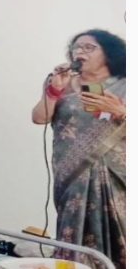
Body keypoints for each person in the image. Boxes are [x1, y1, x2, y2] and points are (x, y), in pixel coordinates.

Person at [31, 29, 126, 268]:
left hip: (116, 172)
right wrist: (54, 90)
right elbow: (39, 118)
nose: (80, 52)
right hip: (70, 170)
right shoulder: (60, 82)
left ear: (108, 53)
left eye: (89, 47)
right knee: (72, 229)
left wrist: (120, 112)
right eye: (76, 47)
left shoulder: (126, 84)